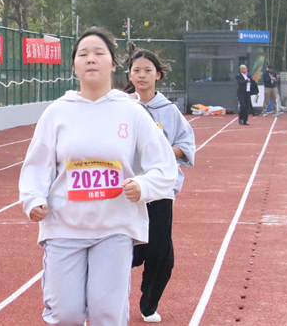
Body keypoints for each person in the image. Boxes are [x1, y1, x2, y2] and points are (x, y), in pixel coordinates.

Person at [19, 27, 178, 326]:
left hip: (114, 226)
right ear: (74, 65)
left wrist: (143, 185)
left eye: (98, 53)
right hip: (64, 226)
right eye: (83, 54)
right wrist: (33, 198)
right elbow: (37, 164)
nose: (91, 59)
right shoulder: (57, 112)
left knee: (107, 313)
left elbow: (164, 165)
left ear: (114, 64)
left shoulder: (131, 112)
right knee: (65, 314)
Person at [124, 45, 195, 323]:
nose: (142, 75)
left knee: (160, 250)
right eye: (136, 70)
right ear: (129, 75)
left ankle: (148, 303)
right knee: (125, 249)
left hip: (160, 190)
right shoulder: (122, 108)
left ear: (158, 75)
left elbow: (185, 145)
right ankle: (108, 298)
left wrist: (160, 151)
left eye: (148, 70)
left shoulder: (169, 111)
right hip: (127, 190)